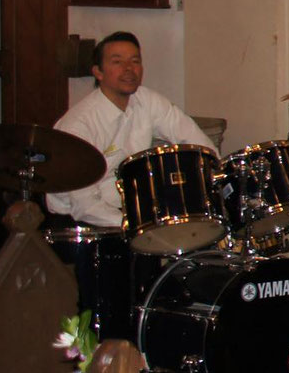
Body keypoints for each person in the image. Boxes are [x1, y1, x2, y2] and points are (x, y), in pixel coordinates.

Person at [49, 31, 216, 229]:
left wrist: (214, 179)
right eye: (117, 62)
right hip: (81, 222)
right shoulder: (80, 125)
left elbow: (197, 142)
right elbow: (85, 206)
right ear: (98, 72)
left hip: (131, 208)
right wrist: (139, 226)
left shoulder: (146, 100)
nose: (129, 69)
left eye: (135, 61)